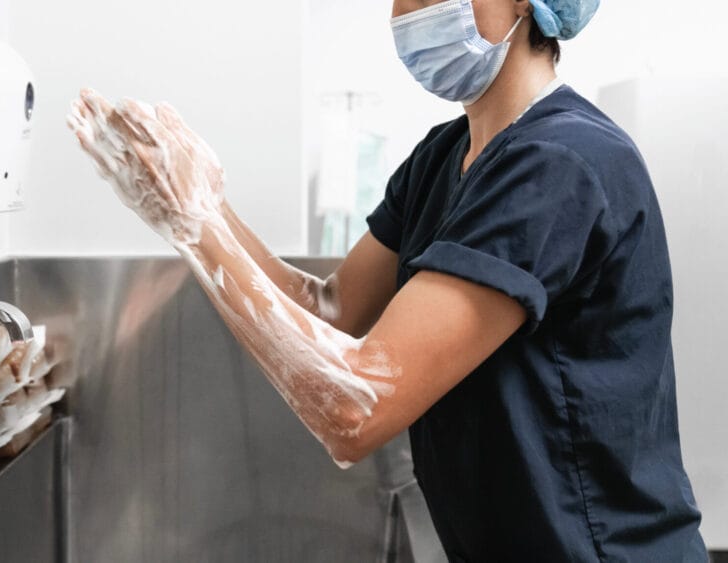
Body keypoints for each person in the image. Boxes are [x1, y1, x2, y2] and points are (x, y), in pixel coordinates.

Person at [67, 0, 707, 559]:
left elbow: (354, 405)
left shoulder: (559, 163)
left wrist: (193, 225)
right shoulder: (442, 156)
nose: (405, 15)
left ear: (522, 3)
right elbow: (331, 306)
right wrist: (198, 200)